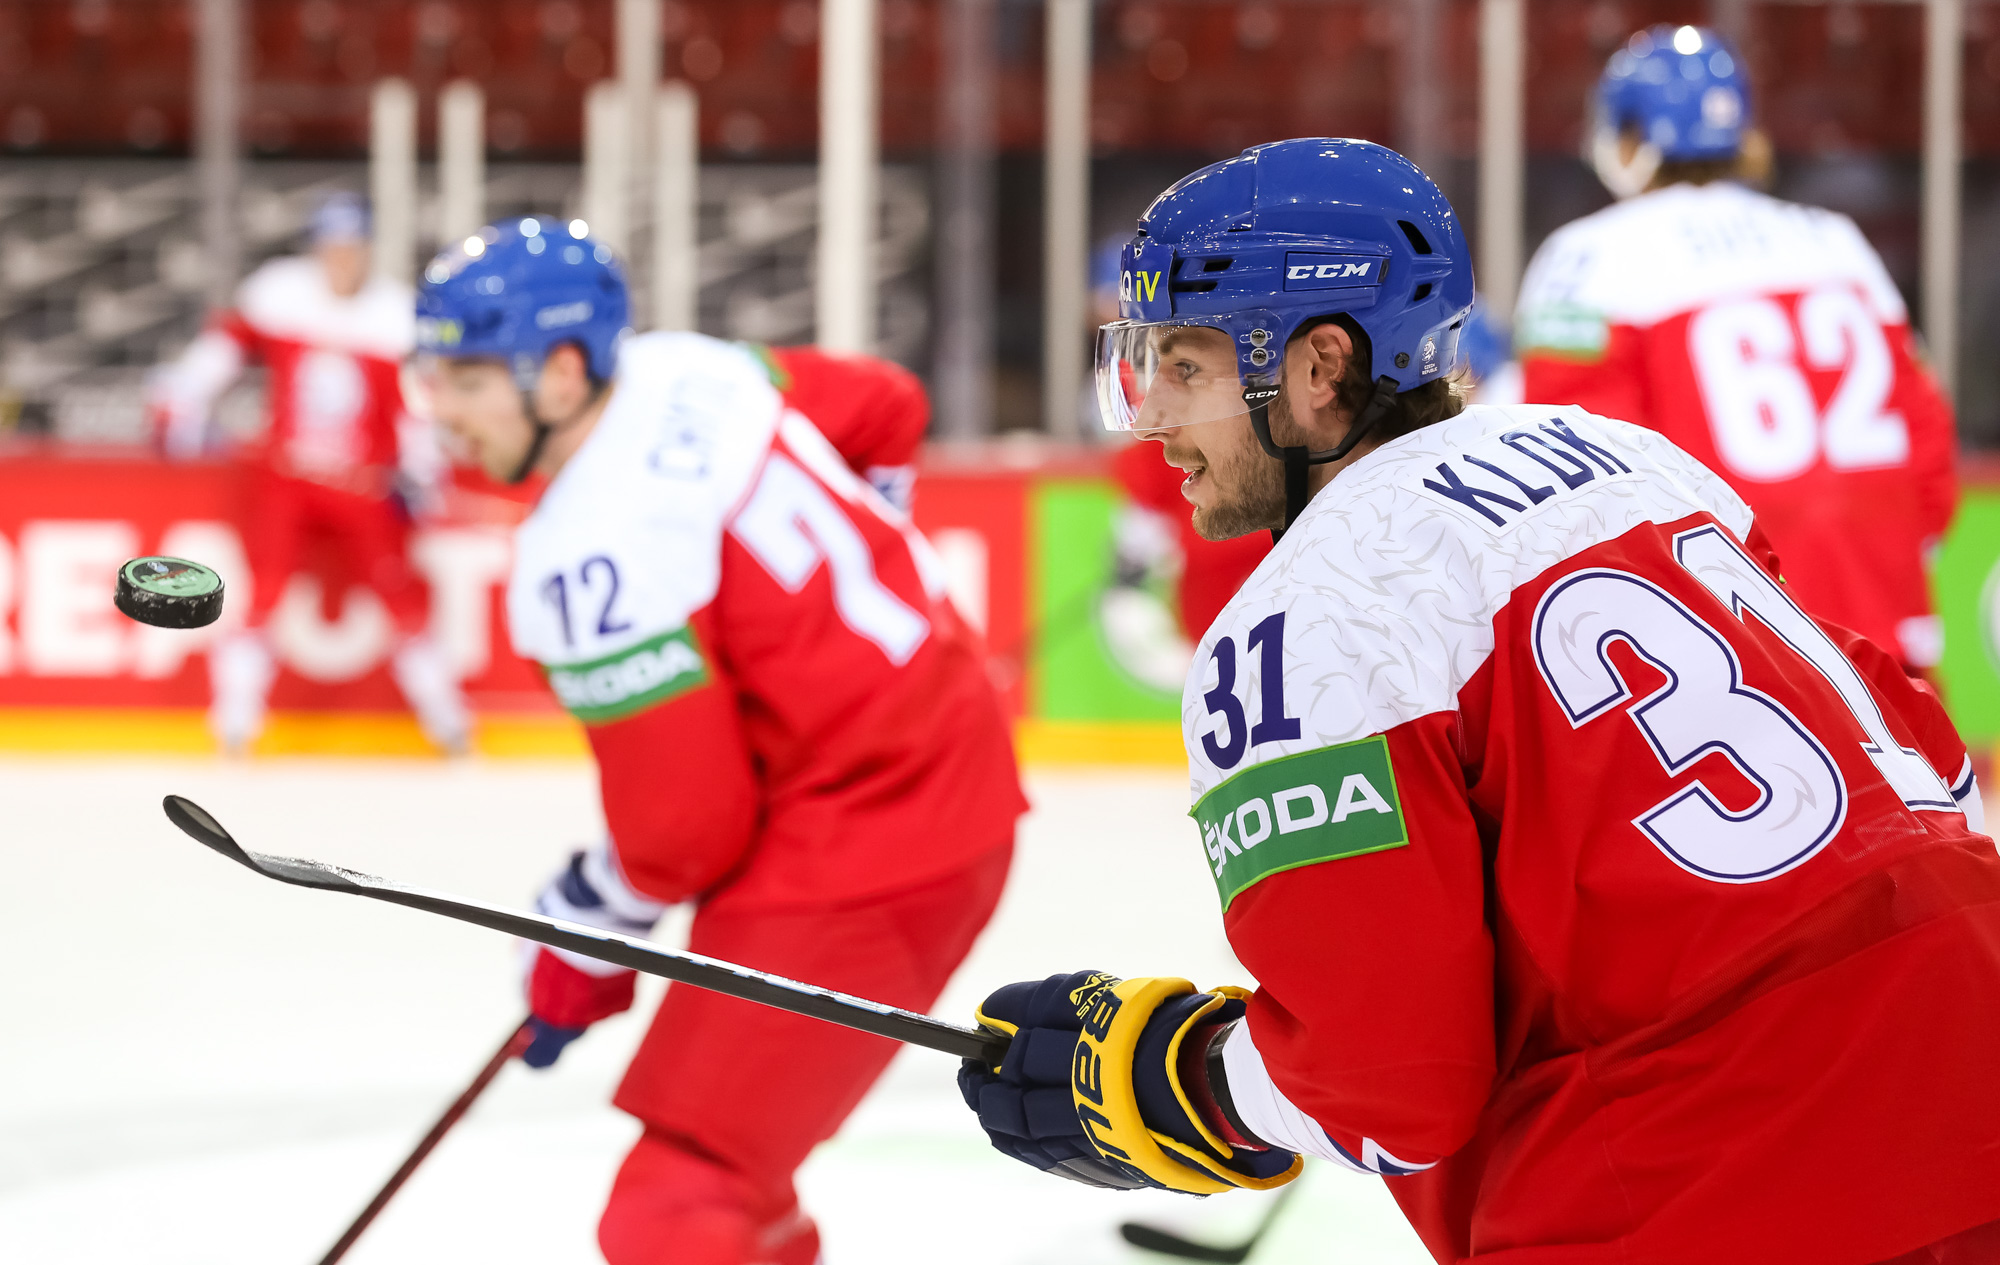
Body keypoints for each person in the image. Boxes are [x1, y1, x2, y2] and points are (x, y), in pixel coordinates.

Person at [958, 138, 2000, 1264]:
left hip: (1710, 1176)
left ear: (1319, 367)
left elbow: (1387, 1083)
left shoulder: (1298, 621)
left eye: (1186, 366)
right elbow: (1932, 767)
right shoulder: (1635, 462)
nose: (1149, 414)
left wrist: (1178, 1080)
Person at [415, 217, 1025, 1265]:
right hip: (930, 776)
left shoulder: (585, 554)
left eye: (467, 381)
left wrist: (576, 923)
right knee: (738, 1181)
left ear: (560, 375)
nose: (440, 414)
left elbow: (685, 836)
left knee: (670, 1208)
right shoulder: (695, 368)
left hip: (873, 844)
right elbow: (887, 405)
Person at [1515, 25, 1957, 675]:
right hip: (1881, 633)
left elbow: (1579, 482)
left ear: (1628, 136)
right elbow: (1928, 452)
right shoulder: (1837, 241)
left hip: (1726, 656)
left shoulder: (1589, 258)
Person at [149, 191, 468, 753]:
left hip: (364, 483)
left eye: (351, 249)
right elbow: (222, 351)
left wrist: (423, 470)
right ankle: (235, 722)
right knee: (265, 592)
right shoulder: (282, 292)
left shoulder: (393, 312)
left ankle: (449, 722)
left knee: (399, 596)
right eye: (332, 249)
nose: (341, 261)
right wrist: (184, 396)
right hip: (288, 477)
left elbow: (415, 408)